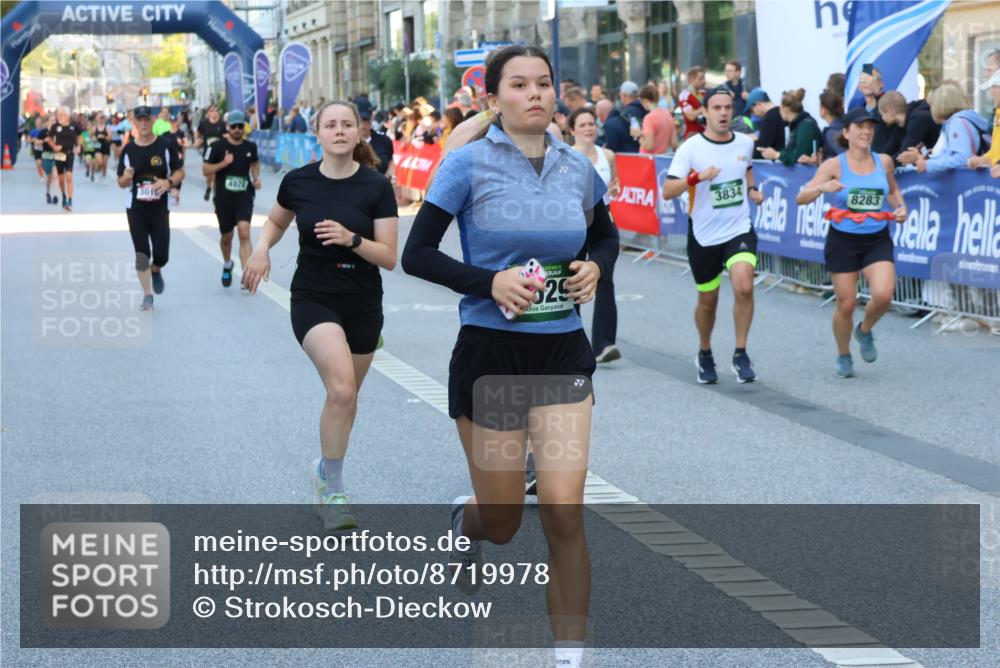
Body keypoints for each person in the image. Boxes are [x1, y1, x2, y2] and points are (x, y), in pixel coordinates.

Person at [400, 45, 618, 668]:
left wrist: (595, 268)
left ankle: (569, 657)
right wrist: (486, 282)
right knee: (502, 521)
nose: (535, 94)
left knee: (563, 513)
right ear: (494, 98)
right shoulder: (466, 165)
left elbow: (604, 234)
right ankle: (465, 526)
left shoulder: (578, 169)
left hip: (562, 357)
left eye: (544, 83)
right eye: (519, 85)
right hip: (491, 357)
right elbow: (418, 252)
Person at [242, 101, 398, 532]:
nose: (340, 130)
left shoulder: (375, 187)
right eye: (331, 124)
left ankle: (323, 468)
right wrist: (260, 249)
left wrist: (352, 240)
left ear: (358, 133)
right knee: (343, 390)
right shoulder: (299, 181)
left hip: (363, 301)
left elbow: (388, 257)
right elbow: (275, 221)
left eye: (347, 124)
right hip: (313, 298)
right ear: (318, 134)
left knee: (344, 399)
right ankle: (334, 490)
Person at [661, 86, 765, 384]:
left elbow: (745, 169)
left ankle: (741, 352)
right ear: (704, 112)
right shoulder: (691, 148)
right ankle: (705, 352)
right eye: (716, 108)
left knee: (744, 285)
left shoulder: (745, 143)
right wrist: (697, 177)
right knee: (709, 300)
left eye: (727, 108)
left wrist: (751, 190)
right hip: (704, 233)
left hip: (738, 226)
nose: (722, 113)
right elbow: (668, 190)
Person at [796, 107, 907, 378]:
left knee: (883, 294)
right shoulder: (834, 165)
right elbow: (801, 197)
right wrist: (823, 188)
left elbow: (892, 190)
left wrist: (900, 207)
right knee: (846, 304)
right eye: (859, 127)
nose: (866, 132)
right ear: (846, 132)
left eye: (870, 127)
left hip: (876, 237)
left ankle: (865, 330)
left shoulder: (883, 162)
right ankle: (843, 353)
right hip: (843, 239)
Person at [117, 105, 185, 311]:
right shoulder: (128, 150)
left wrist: (169, 183)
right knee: (142, 253)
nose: (144, 123)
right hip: (136, 209)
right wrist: (126, 178)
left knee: (162, 254)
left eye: (147, 120)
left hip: (159, 209)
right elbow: (120, 181)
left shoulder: (165, 146)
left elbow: (179, 172)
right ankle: (148, 296)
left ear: (153, 121)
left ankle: (156, 269)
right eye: (140, 120)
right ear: (135, 123)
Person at [567, 107, 622, 363]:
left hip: (602, 222)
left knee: (605, 281)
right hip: (576, 222)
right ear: (572, 130)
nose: (589, 129)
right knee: (574, 282)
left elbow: (614, 182)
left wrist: (615, 187)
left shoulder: (607, 154)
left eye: (591, 124)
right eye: (583, 125)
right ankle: (572, 340)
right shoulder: (568, 157)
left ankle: (604, 344)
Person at [203, 110, 260, 288]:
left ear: (244, 127)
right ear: (228, 128)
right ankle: (227, 264)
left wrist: (256, 178)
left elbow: (255, 163)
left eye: (240, 126)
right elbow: (205, 170)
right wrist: (223, 163)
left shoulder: (251, 147)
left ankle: (247, 275)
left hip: (244, 196)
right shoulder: (216, 147)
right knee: (227, 237)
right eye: (233, 126)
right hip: (223, 198)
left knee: (244, 232)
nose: (237, 129)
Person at [898, 80, 988, 174]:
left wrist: (927, 165)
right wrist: (926, 157)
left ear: (941, 105)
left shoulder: (957, 123)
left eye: (932, 105)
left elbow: (963, 159)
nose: (930, 110)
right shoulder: (956, 122)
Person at [758, 89, 823, 166]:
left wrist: (776, 155)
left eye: (780, 108)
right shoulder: (799, 125)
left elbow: (800, 158)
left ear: (785, 109)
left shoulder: (806, 127)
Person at [876, 91, 940, 165]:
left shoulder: (918, 119)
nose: (882, 118)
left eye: (882, 114)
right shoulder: (900, 125)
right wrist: (874, 161)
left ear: (891, 111)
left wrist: (878, 167)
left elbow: (904, 154)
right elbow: (889, 148)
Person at [45, 106, 79, 212]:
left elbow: (80, 136)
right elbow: (49, 138)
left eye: (61, 115)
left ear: (67, 116)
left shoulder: (74, 126)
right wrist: (54, 146)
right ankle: (63, 195)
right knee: (60, 179)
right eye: (58, 115)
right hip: (59, 154)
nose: (59, 117)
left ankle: (70, 199)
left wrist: (79, 146)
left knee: (69, 176)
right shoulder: (55, 127)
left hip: (69, 154)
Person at [968, 71, 1000, 171]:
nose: (991, 92)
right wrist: (981, 160)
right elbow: (996, 151)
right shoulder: (998, 113)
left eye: (994, 87)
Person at [353, 96, 393, 175]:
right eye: (360, 120)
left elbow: (390, 162)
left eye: (366, 119)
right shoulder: (346, 143)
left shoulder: (384, 140)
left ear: (372, 117)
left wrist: (390, 179)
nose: (364, 124)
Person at [196, 105, 227, 201]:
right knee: (208, 173)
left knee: (216, 174)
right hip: (208, 151)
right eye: (212, 110)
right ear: (209, 113)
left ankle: (216, 195)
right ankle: (208, 187)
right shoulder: (204, 123)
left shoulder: (222, 124)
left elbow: (227, 135)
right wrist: (198, 140)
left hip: (219, 151)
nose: (214, 112)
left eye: (216, 110)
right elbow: (198, 133)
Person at [637, 84, 676, 154]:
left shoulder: (649, 118)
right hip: (662, 159)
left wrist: (638, 135)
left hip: (648, 160)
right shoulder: (667, 114)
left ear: (645, 100)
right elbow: (674, 143)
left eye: (641, 101)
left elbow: (649, 146)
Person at [749, 88, 785, 158]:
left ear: (758, 104)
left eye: (752, 110)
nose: (753, 114)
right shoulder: (782, 112)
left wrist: (753, 140)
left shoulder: (769, 119)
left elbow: (761, 150)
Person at [162, 114, 189, 204]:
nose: (173, 123)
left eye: (174, 121)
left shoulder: (181, 133)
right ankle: (173, 192)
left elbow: (187, 144)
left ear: (177, 122)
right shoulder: (165, 134)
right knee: (170, 174)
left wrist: (181, 143)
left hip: (178, 158)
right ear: (169, 122)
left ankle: (176, 193)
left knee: (178, 174)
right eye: (171, 121)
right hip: (168, 158)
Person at [31, 115, 58, 205]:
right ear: (48, 122)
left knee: (55, 175)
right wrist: (44, 141)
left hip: (56, 155)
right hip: (46, 155)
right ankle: (48, 192)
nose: (53, 121)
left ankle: (55, 196)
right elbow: (37, 142)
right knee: (50, 177)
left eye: (54, 120)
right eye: (51, 120)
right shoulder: (43, 132)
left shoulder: (59, 131)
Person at [677, 66, 707, 140]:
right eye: (700, 79)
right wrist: (704, 108)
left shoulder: (703, 93)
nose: (703, 81)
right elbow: (690, 116)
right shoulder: (684, 95)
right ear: (691, 80)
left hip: (706, 134)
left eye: (704, 78)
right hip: (691, 135)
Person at [819, 90, 846, 158]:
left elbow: (845, 157)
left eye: (820, 106)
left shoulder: (831, 132)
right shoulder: (844, 125)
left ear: (825, 110)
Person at [93, 112, 112, 182]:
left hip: (105, 145)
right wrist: (94, 138)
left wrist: (104, 136)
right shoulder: (94, 128)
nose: (101, 119)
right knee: (100, 162)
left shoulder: (107, 128)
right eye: (100, 118)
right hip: (97, 145)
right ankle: (97, 172)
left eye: (102, 118)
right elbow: (90, 137)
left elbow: (110, 138)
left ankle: (104, 177)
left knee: (105, 164)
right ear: (97, 119)